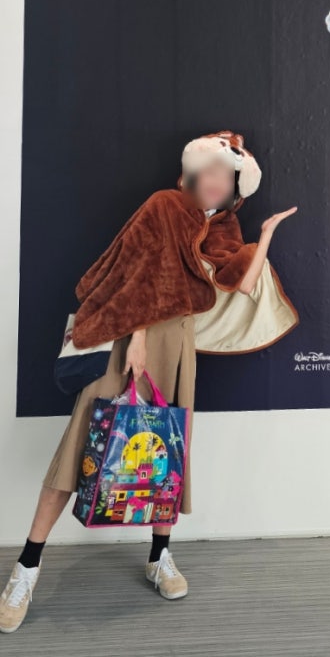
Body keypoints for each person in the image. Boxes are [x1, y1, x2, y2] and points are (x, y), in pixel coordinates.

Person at [0, 130, 298, 634]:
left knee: (166, 453)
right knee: (81, 444)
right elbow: (142, 271)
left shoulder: (224, 227)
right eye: (210, 169)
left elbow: (243, 284)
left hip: (177, 341)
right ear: (192, 172)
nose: (216, 181)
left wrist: (265, 233)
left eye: (227, 175)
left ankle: (159, 556)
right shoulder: (165, 204)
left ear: (235, 186)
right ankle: (26, 567)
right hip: (132, 333)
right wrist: (137, 338)